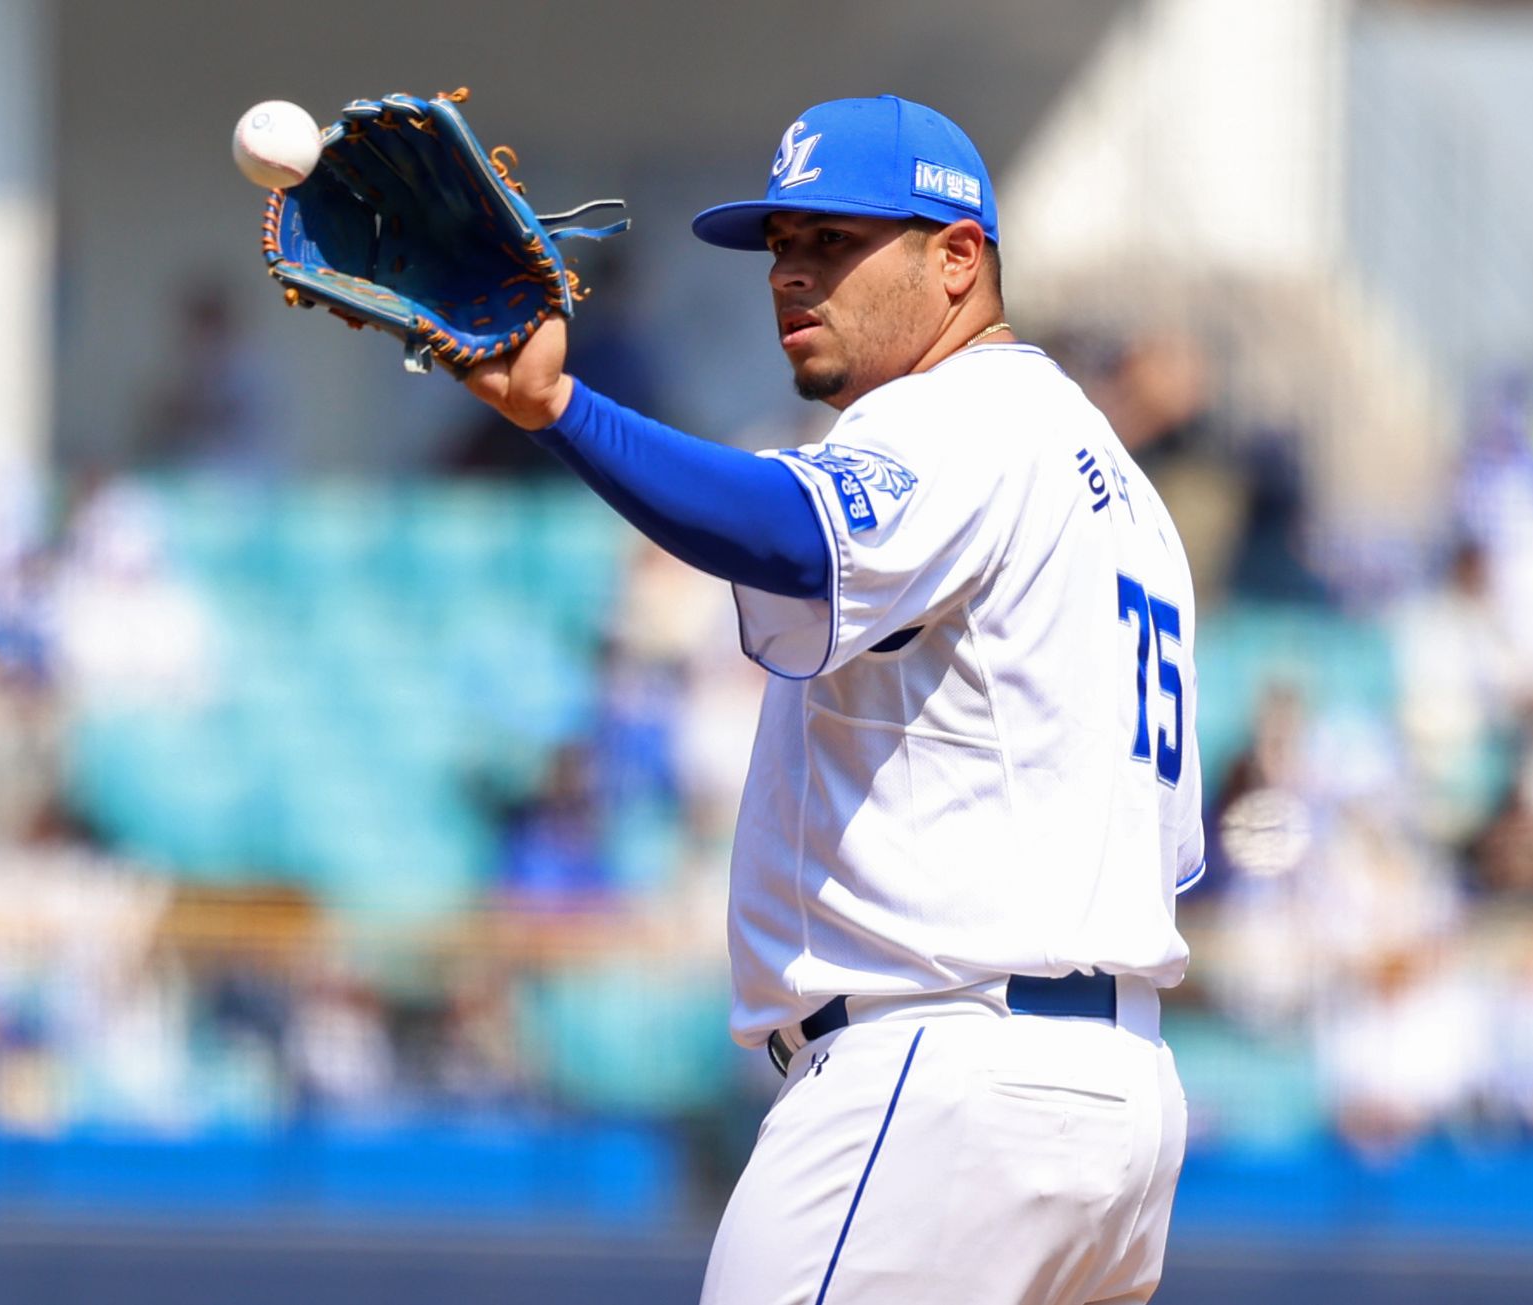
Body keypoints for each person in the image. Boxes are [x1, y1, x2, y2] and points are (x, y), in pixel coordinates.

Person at [462, 95, 1202, 1305]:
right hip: (1113, 1107)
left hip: (938, 1087)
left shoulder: (963, 415)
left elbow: (791, 535)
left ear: (957, 258)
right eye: (780, 246)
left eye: (834, 243)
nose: (790, 275)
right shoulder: (1116, 488)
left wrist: (559, 408)